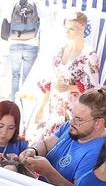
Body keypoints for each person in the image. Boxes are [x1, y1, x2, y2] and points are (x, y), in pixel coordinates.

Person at [23, 88, 106, 186]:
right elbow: (45, 144)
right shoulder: (74, 127)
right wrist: (33, 150)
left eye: (79, 119)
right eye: (72, 115)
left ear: (98, 123)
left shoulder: (97, 153)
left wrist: (48, 172)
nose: (71, 122)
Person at [33, 10, 101, 138]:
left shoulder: (89, 54)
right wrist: (42, 107)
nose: (67, 32)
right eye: (66, 28)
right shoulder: (61, 49)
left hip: (73, 108)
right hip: (54, 106)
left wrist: (69, 88)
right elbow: (51, 79)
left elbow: (94, 88)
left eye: (71, 28)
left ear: (82, 28)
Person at [5, 0, 41, 99]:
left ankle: (14, 105)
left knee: (15, 76)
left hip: (14, 41)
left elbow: (7, 18)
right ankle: (23, 108)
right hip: (31, 42)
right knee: (27, 77)